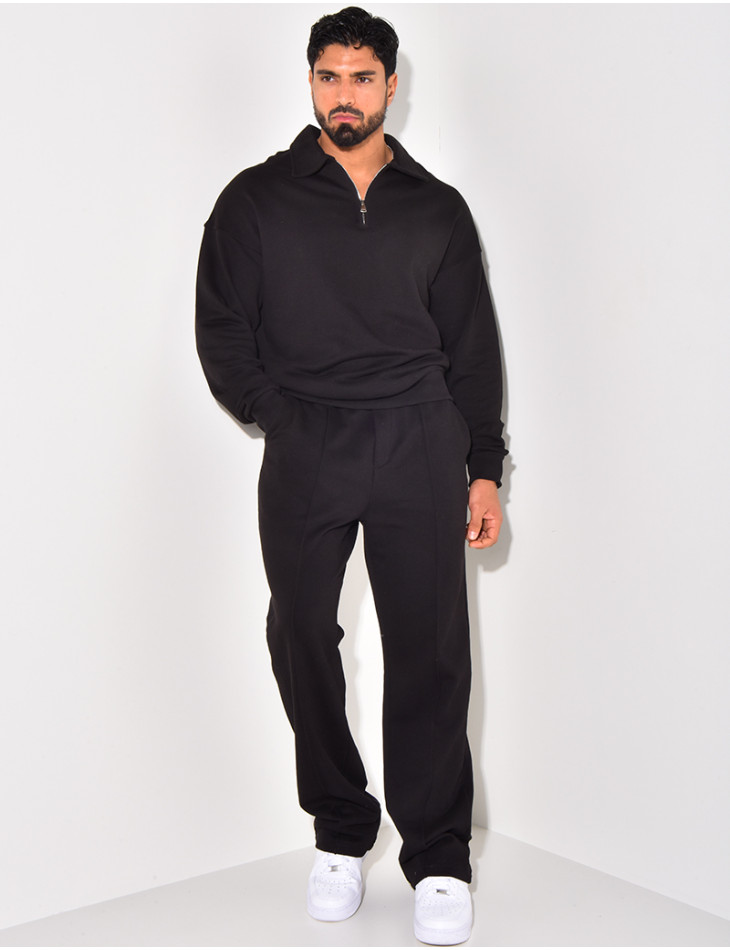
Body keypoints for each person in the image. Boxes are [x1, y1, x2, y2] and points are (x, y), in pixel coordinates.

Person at [196, 7, 506, 945]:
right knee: (299, 633)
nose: (345, 93)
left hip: (419, 441)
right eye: (329, 76)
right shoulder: (255, 201)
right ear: (310, 83)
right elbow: (222, 332)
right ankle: (340, 827)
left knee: (430, 647)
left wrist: (483, 469)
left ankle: (438, 855)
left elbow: (472, 350)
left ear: (390, 87)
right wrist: (284, 416)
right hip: (309, 442)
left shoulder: (437, 208)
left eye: (362, 77)